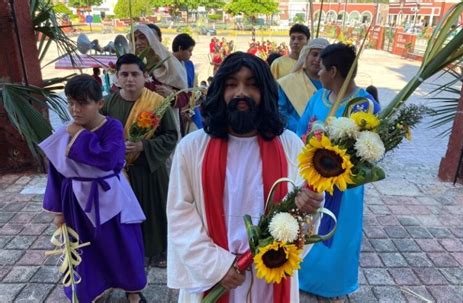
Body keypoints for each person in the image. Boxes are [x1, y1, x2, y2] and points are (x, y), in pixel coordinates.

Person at [167, 52, 324, 303]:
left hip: (270, 275)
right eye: (231, 84)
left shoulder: (290, 146)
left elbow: (304, 211)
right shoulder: (192, 148)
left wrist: (312, 203)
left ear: (266, 93)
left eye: (252, 84)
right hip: (213, 275)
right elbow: (179, 213)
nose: (241, 93)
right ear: (220, 91)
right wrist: (218, 266)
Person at [40, 75, 147, 303]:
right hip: (76, 202)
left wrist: (78, 135)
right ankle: (91, 289)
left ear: (99, 103)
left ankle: (132, 289)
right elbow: (57, 171)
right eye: (71, 103)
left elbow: (111, 159)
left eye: (83, 103)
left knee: (121, 244)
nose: (75, 110)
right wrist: (58, 211)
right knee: (85, 248)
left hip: (111, 198)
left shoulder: (112, 127)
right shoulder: (65, 133)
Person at [297, 43, 380, 302]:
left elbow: (368, 150)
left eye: (321, 68)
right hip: (312, 179)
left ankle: (333, 285)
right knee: (308, 230)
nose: (317, 72)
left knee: (338, 233)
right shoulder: (317, 98)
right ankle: (304, 278)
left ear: (333, 71)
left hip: (344, 187)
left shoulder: (362, 105)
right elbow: (302, 130)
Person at [102, 54, 178, 268]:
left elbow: (171, 135)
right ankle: (131, 252)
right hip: (120, 172)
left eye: (135, 74)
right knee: (124, 216)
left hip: (150, 170)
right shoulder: (109, 103)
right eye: (124, 74)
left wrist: (144, 146)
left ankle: (158, 252)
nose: (130, 79)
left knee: (154, 212)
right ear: (116, 77)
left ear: (145, 76)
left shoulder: (156, 102)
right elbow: (100, 133)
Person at [278, 38, 329, 133]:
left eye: (322, 56)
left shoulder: (331, 85)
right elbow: (280, 112)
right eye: (314, 54)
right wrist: (302, 129)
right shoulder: (288, 82)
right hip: (293, 136)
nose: (318, 59)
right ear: (306, 55)